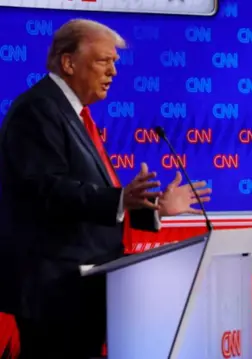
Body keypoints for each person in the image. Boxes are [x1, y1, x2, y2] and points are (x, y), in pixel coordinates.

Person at [0, 19, 212, 359]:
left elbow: (89, 197)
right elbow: (47, 190)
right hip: (55, 292)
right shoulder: (37, 109)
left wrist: (152, 207)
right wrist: (119, 198)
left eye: (114, 62)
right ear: (68, 63)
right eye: (103, 61)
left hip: (83, 289)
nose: (113, 71)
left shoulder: (72, 114)